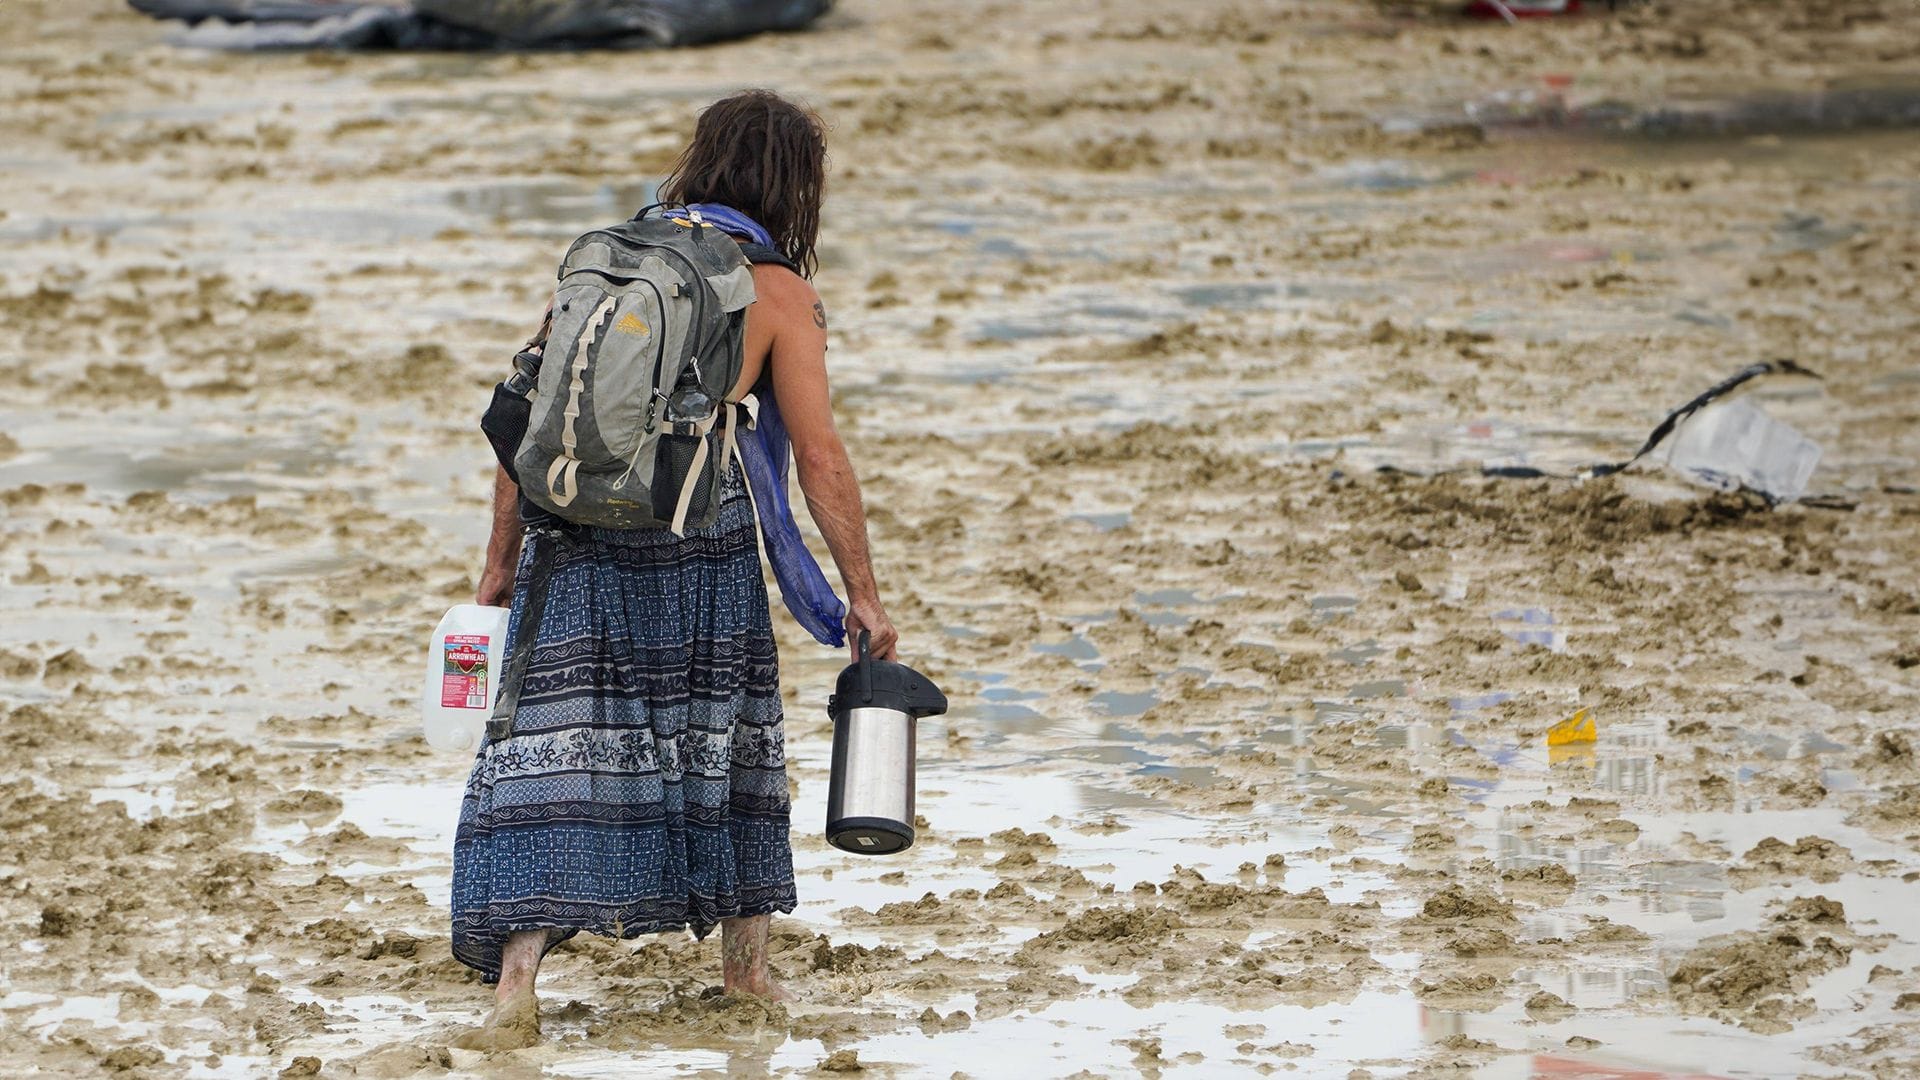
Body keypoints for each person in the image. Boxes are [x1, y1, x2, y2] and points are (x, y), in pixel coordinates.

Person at [449, 89, 898, 1052]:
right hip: (700, 534)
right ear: (795, 186)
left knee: (558, 741)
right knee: (726, 733)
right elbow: (819, 458)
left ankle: (516, 987)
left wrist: (497, 565)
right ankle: (747, 975)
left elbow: (524, 420)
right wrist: (860, 592)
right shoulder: (775, 293)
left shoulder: (605, 258)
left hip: (570, 533)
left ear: (702, 160)